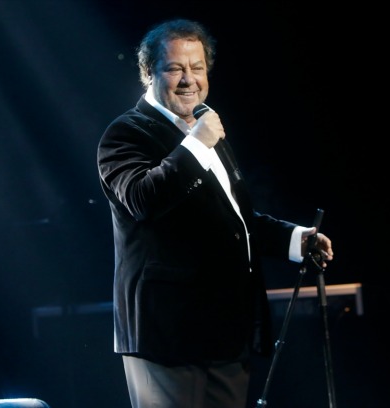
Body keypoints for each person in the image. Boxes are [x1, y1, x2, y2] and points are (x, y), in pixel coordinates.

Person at [96, 18, 333, 408]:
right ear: (148, 73)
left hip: (225, 330)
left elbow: (234, 219)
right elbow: (143, 200)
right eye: (175, 68)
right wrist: (196, 144)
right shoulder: (126, 134)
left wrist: (295, 239)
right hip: (166, 336)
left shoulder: (207, 132)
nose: (189, 80)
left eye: (197, 67)